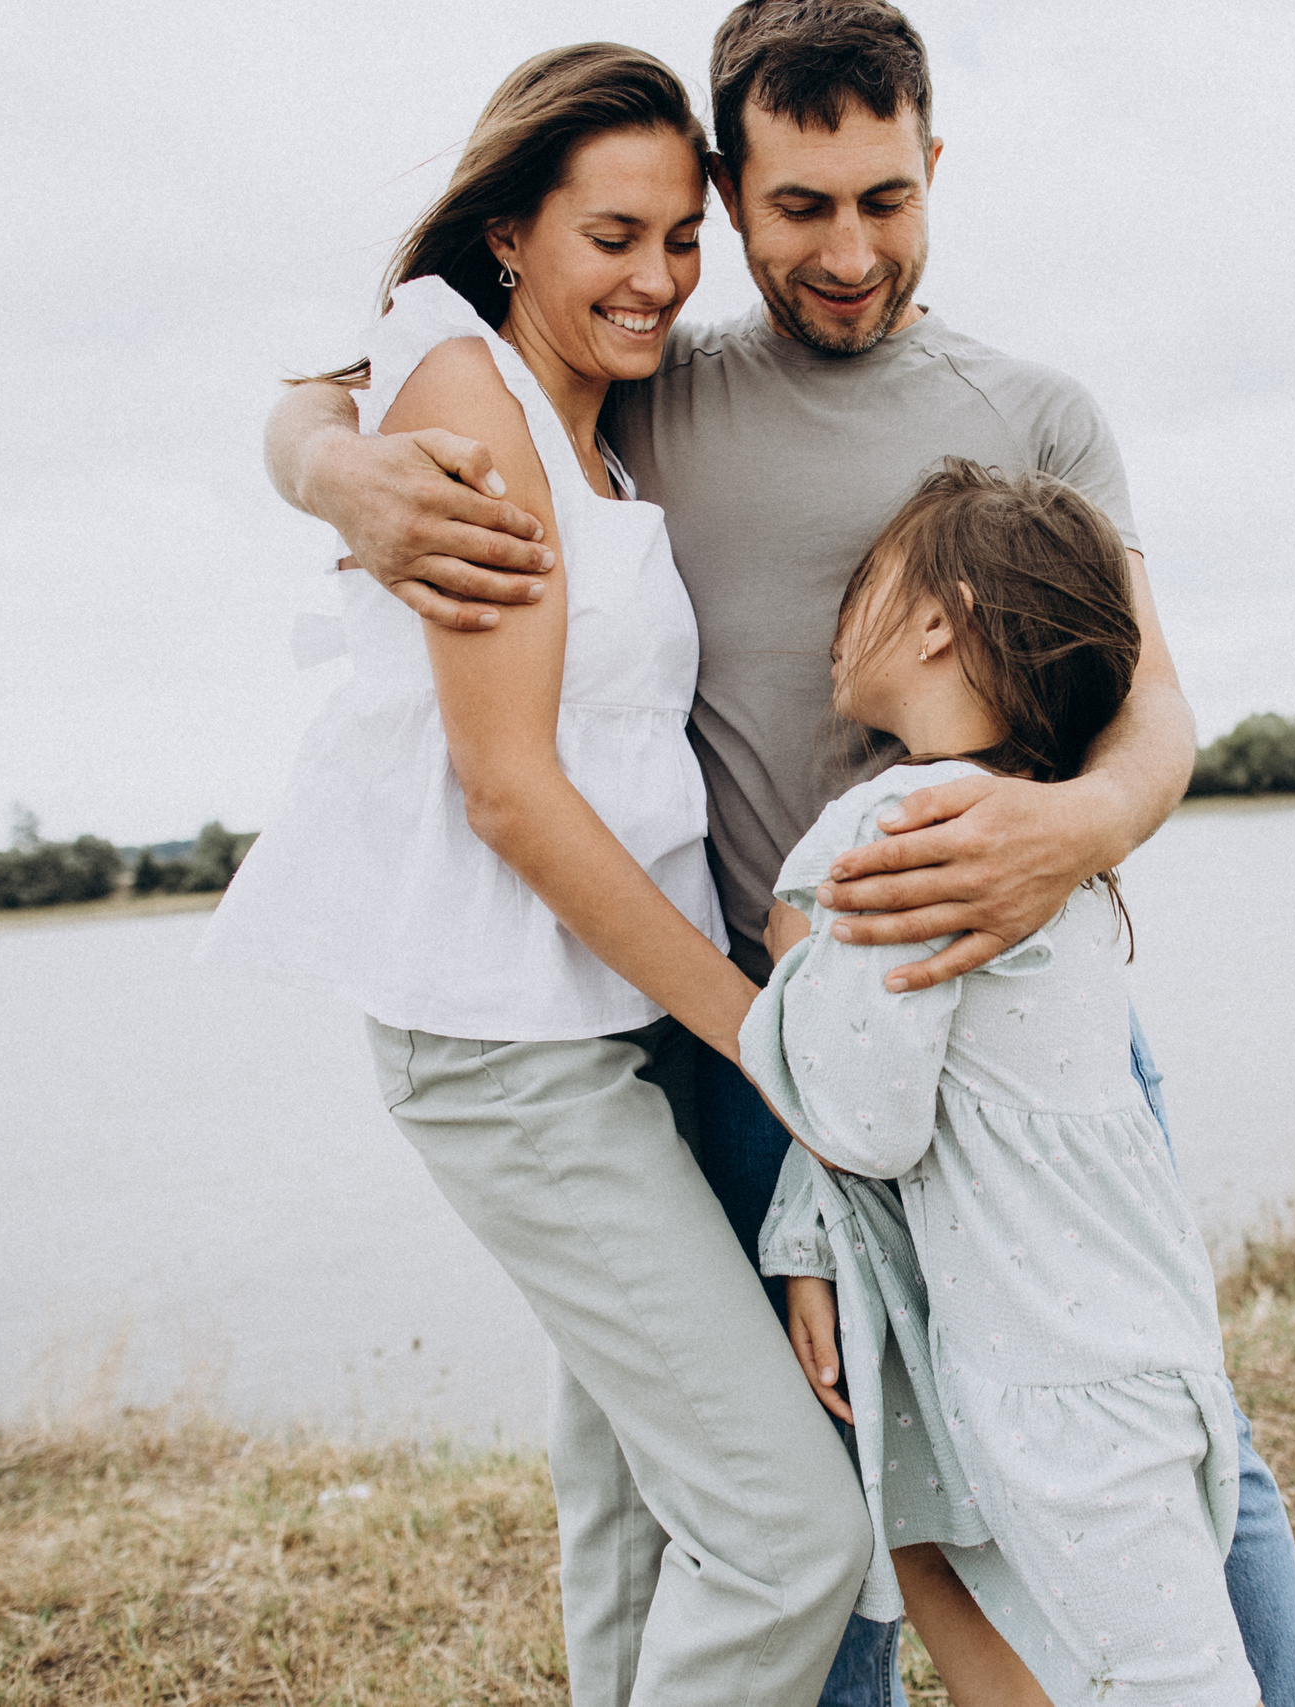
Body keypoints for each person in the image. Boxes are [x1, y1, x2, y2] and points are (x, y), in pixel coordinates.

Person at [259, 7, 1295, 1706]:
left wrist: (1078, 824)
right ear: (734, 196)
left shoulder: (1036, 411)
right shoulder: (646, 383)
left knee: (1170, 1417)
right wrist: (333, 473)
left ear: (934, 169)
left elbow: (1156, 704)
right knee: (828, 1474)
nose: (849, 252)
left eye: (887, 199)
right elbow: (369, 367)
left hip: (1025, 1029)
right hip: (755, 1039)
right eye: (796, 206)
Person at [201, 44, 871, 1707]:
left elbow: (311, 398)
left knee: (639, 1506)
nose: (655, 278)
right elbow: (509, 793)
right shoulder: (468, 397)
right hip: (511, 1043)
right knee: (794, 1533)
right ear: (511, 230)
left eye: (680, 240)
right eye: (612, 237)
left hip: (601, 1014)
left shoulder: (597, 409)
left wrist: (309, 448)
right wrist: (766, 1040)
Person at [753, 459, 1261, 1707]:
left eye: (868, 581)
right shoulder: (1043, 828)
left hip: (1056, 1372)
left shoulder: (913, 827)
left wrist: (789, 959)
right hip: (1130, 1331)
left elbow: (865, 1120)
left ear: (939, 617)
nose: (838, 614)